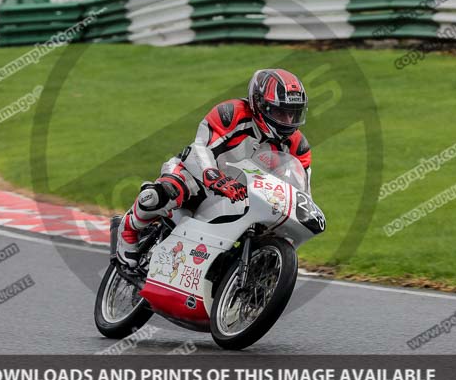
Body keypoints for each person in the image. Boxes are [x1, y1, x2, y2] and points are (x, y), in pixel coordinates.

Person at [116, 68, 312, 268]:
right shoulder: (231, 113)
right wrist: (214, 177)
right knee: (161, 195)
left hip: (244, 197)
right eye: (280, 112)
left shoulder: (298, 146)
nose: (288, 121)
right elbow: (201, 147)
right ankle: (129, 228)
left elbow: (301, 190)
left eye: (293, 114)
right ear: (259, 104)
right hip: (197, 176)